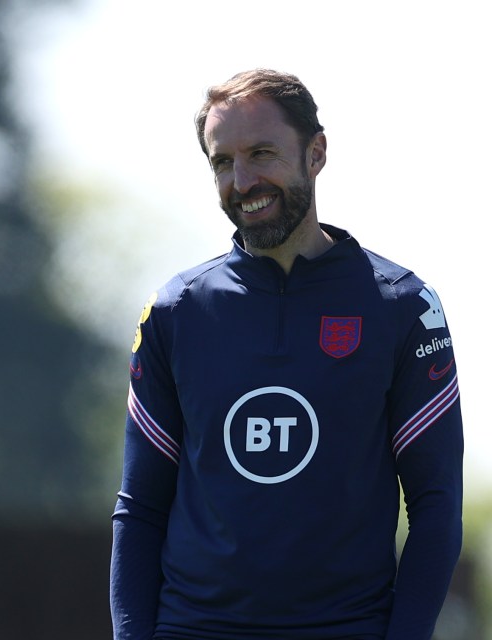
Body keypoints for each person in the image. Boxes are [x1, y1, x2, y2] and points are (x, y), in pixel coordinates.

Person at [110, 69, 463, 640]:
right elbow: (140, 507)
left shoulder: (403, 306)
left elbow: (436, 506)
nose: (242, 180)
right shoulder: (175, 312)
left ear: (316, 153)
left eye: (262, 153)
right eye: (222, 162)